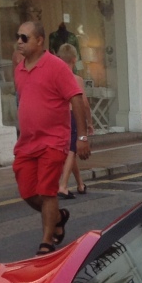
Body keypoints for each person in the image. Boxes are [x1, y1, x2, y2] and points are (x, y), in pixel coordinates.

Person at [14, 20, 93, 255]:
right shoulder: (19, 69)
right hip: (27, 142)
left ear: (39, 41)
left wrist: (82, 137)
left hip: (53, 140)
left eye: (24, 38)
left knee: (47, 191)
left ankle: (46, 241)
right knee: (28, 192)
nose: (19, 41)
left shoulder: (56, 66)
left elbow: (76, 98)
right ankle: (57, 218)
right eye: (17, 36)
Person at [55, 43, 86, 199]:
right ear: (74, 59)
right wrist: (89, 123)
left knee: (69, 151)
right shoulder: (77, 79)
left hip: (58, 116)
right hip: (72, 115)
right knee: (72, 151)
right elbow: (83, 103)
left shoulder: (55, 77)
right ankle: (63, 185)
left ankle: (80, 183)